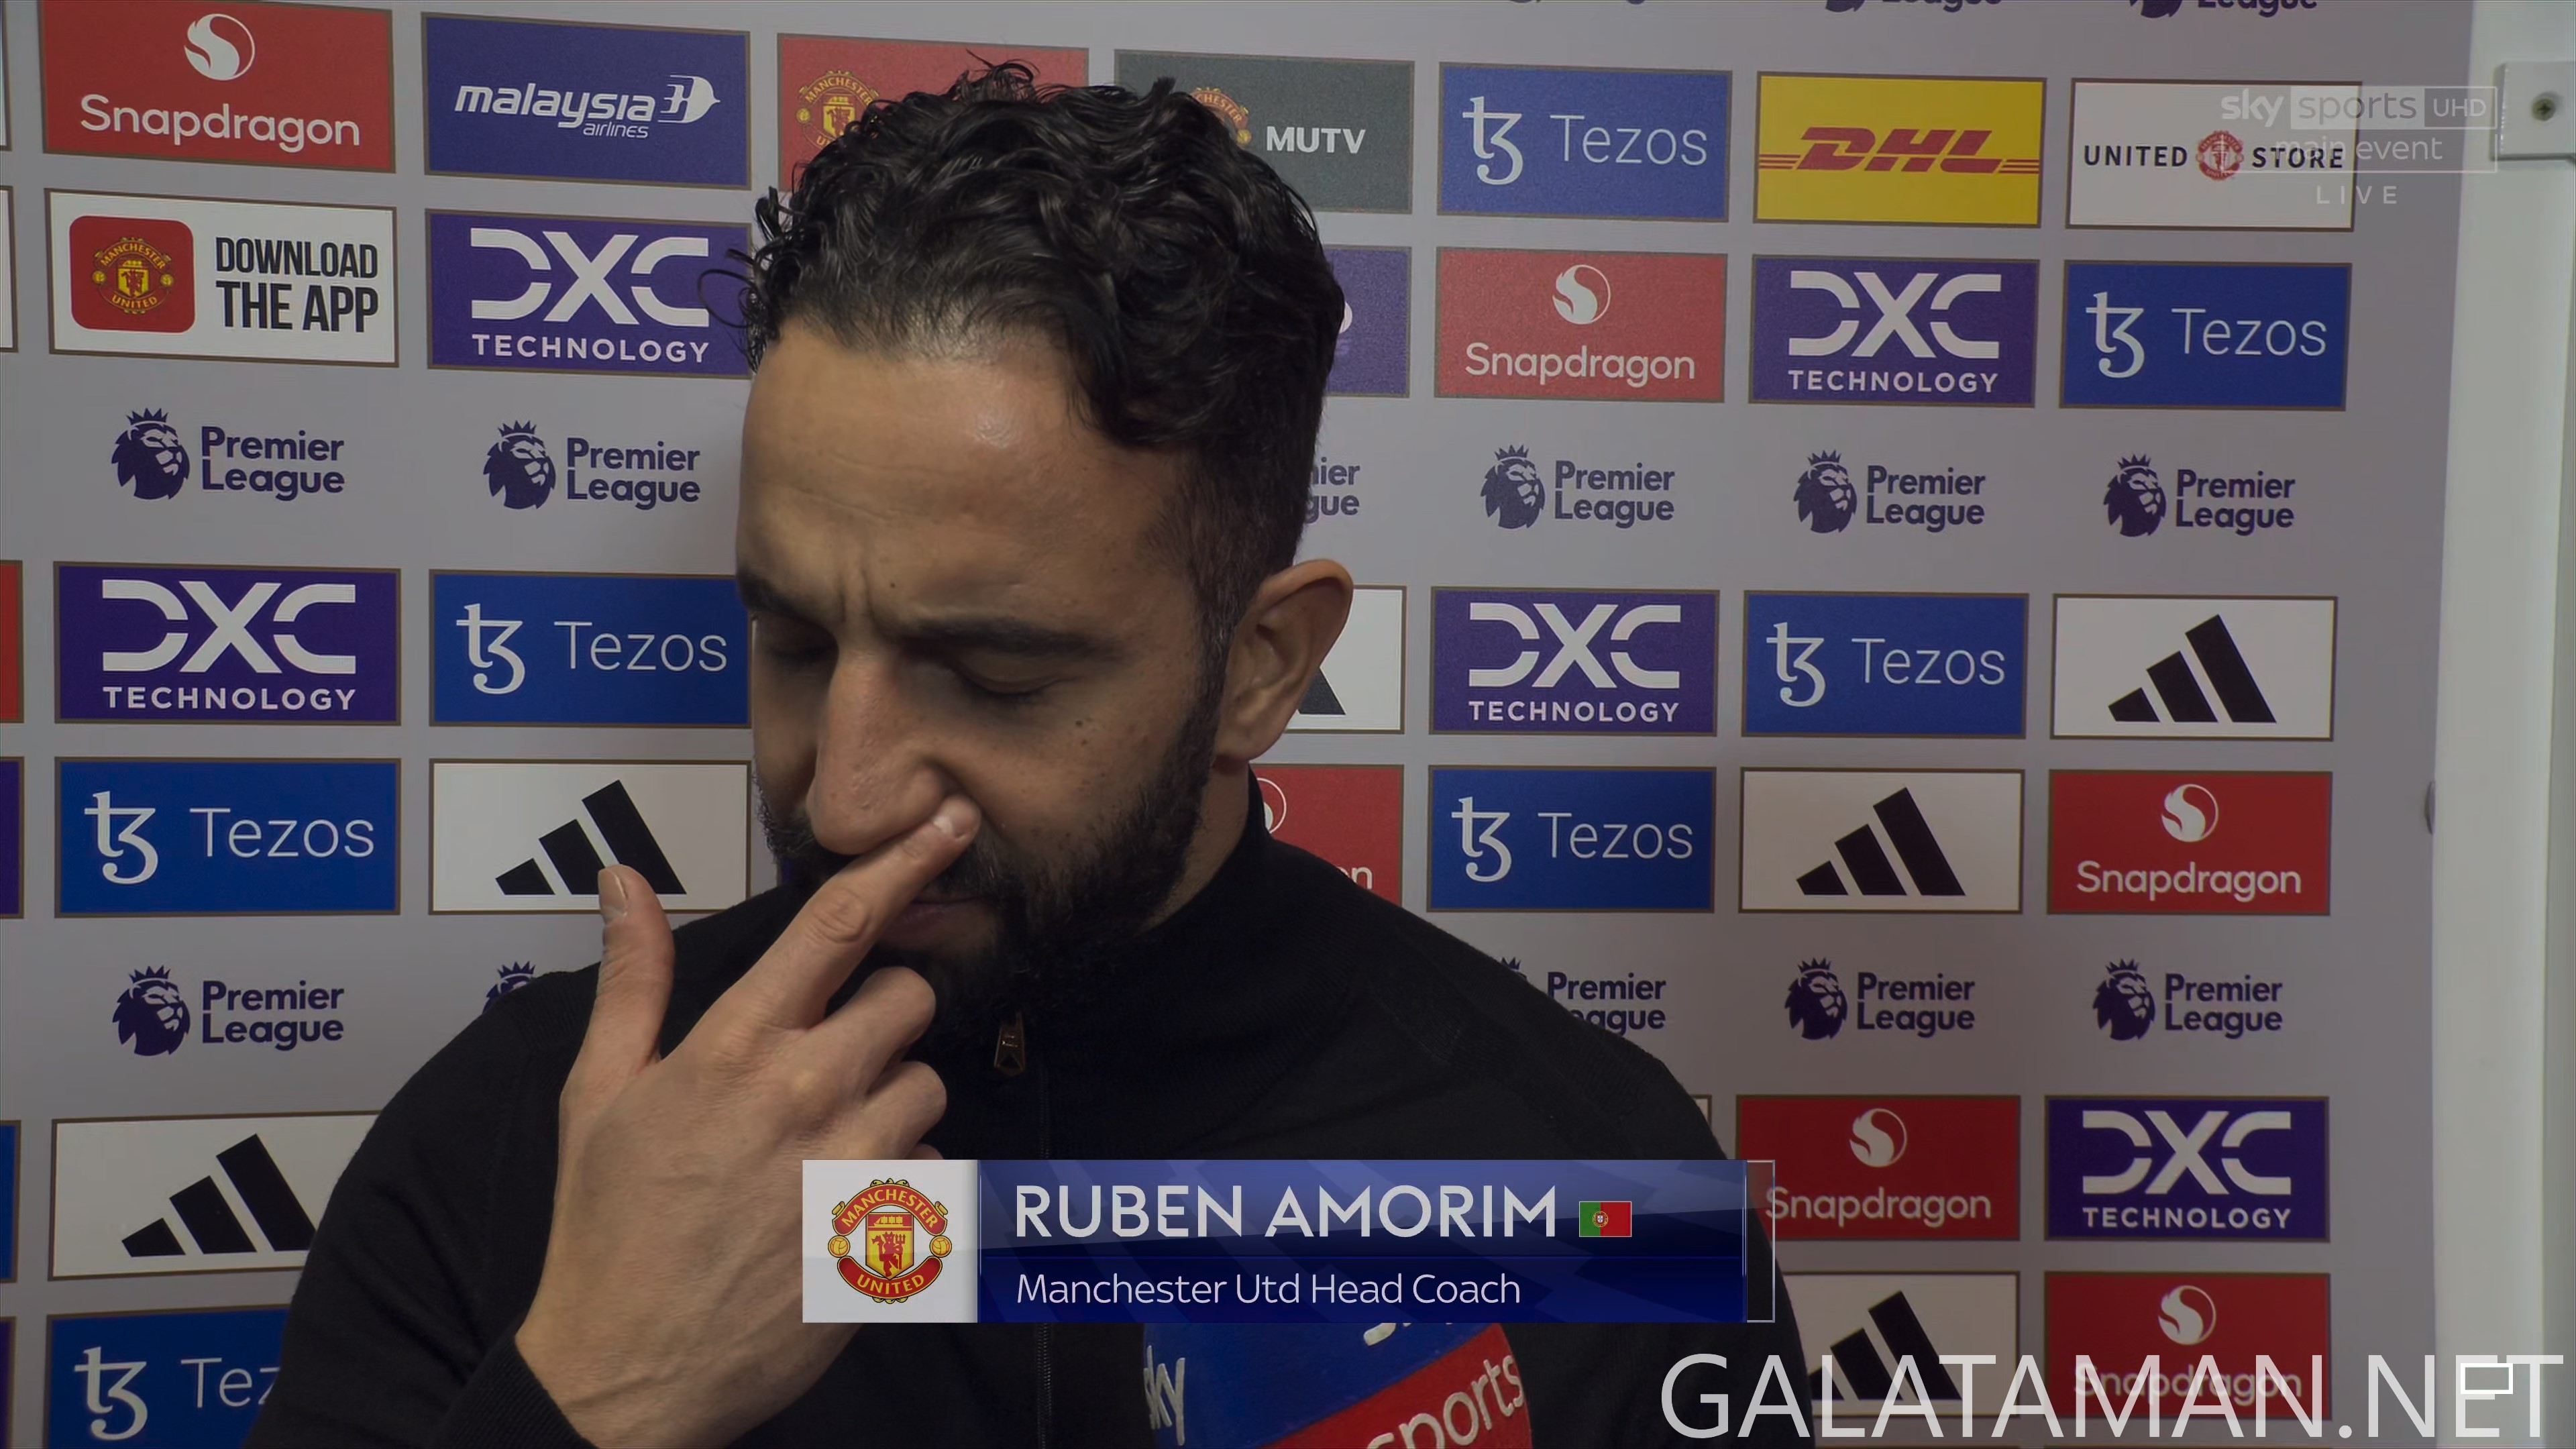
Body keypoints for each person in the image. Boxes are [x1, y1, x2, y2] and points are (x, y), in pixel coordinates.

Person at [249, 66, 1807, 1448]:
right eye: (794, 642)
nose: (845, 792)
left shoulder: (1590, 1178)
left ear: (1262, 667)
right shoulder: (523, 1142)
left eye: (996, 676)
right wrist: (596, 1399)